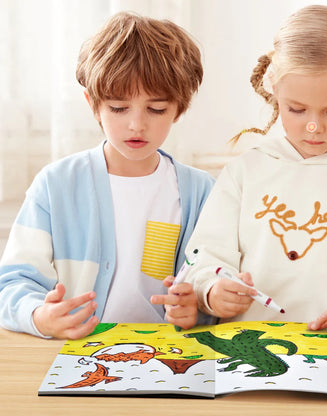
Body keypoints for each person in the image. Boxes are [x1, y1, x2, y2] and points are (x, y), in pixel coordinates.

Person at [184, 5, 327, 331]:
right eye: (296, 109)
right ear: (274, 87)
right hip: (247, 343)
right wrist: (211, 289)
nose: (313, 127)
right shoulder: (245, 171)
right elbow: (206, 253)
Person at [0, 12, 214, 339]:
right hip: (75, 355)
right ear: (93, 104)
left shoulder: (202, 192)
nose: (136, 125)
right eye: (118, 108)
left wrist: (197, 308)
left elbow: (214, 283)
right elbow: (12, 283)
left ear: (179, 108)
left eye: (156, 109)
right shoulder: (56, 185)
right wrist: (39, 315)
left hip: (167, 356)